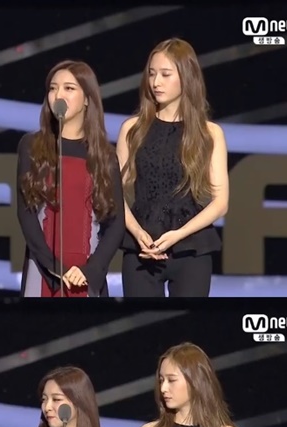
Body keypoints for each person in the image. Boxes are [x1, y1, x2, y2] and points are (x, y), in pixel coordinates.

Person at [116, 39, 228, 297]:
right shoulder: (132, 129)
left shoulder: (209, 133)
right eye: (152, 74)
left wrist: (178, 234)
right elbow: (114, 192)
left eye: (165, 75)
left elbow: (220, 203)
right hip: (141, 248)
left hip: (191, 250)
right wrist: (136, 231)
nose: (156, 82)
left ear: (186, 77)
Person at [17, 61, 125, 297]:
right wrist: (54, 267)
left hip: (86, 271)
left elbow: (116, 223)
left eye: (69, 88)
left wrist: (91, 270)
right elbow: (26, 214)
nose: (58, 95)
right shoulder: (31, 146)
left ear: (87, 98)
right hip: (44, 268)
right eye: (53, 88)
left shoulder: (104, 155)